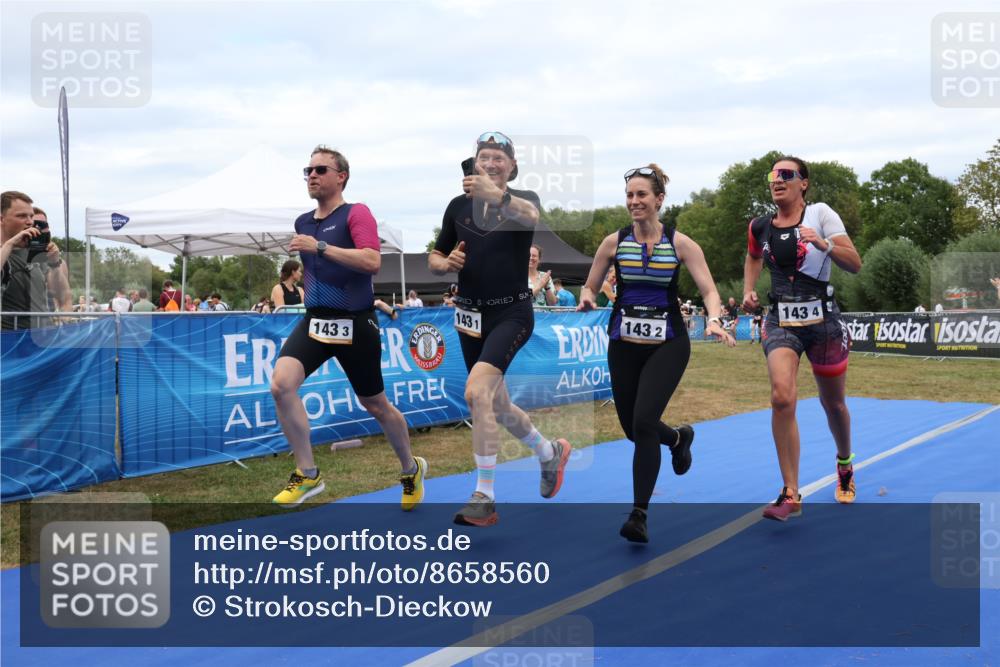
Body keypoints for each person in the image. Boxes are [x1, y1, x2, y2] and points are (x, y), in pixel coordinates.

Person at [578, 164, 735, 543]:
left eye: (642, 195)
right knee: (633, 429)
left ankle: (639, 514)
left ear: (659, 199)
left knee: (645, 420)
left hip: (668, 344)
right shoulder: (613, 243)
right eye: (630, 195)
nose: (634, 201)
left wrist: (713, 319)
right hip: (623, 345)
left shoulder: (681, 244)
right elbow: (590, 285)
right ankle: (679, 440)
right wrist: (586, 297)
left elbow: (710, 291)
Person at [270, 144, 426, 509]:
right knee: (281, 384)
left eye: (320, 170)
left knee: (375, 404)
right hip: (316, 322)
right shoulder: (303, 222)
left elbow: (372, 261)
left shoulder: (357, 214)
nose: (311, 175)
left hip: (355, 323)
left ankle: (410, 468)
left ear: (341, 176)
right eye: (307, 170)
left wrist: (320, 247)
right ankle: (308, 474)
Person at [429, 131, 571, 527]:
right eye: (484, 158)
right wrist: (444, 265)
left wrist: (496, 195)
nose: (491, 164)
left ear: (512, 167)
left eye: (499, 159)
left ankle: (485, 496)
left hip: (511, 314)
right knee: (498, 404)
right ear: (474, 163)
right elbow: (436, 255)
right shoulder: (457, 206)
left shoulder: (522, 202)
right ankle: (549, 453)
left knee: (476, 392)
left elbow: (531, 217)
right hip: (469, 317)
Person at [743, 156, 863, 522]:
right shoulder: (760, 225)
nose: (777, 180)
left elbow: (855, 263)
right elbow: (751, 258)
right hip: (781, 319)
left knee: (834, 405)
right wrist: (749, 289)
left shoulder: (821, 214)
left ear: (804, 184)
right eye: (773, 175)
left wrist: (825, 244)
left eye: (786, 175)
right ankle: (791, 492)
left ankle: (844, 463)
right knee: (782, 397)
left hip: (823, 321)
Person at [1, 191, 70, 330]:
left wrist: (54, 264)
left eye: (31, 216)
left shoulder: (36, 251)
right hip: (9, 342)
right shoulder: (6, 250)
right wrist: (9, 244)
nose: (29, 222)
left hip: (41, 339)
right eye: (21, 216)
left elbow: (61, 296)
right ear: (1, 219)